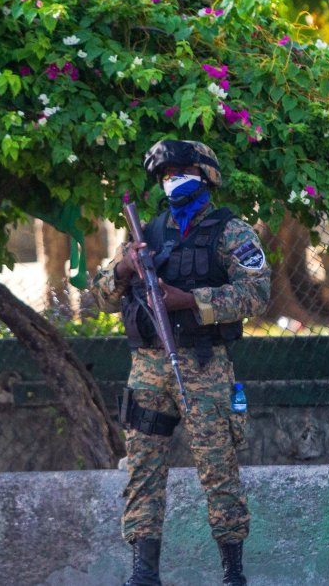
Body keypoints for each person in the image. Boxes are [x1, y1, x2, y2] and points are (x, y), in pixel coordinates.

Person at [90, 139, 271, 586]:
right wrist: (125, 270)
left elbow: (257, 294)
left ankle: (233, 574)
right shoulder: (146, 234)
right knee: (143, 473)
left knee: (218, 472)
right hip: (149, 369)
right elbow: (101, 296)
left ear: (206, 175)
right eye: (166, 175)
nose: (173, 180)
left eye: (182, 171)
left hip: (206, 368)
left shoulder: (231, 232)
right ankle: (143, 575)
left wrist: (189, 300)